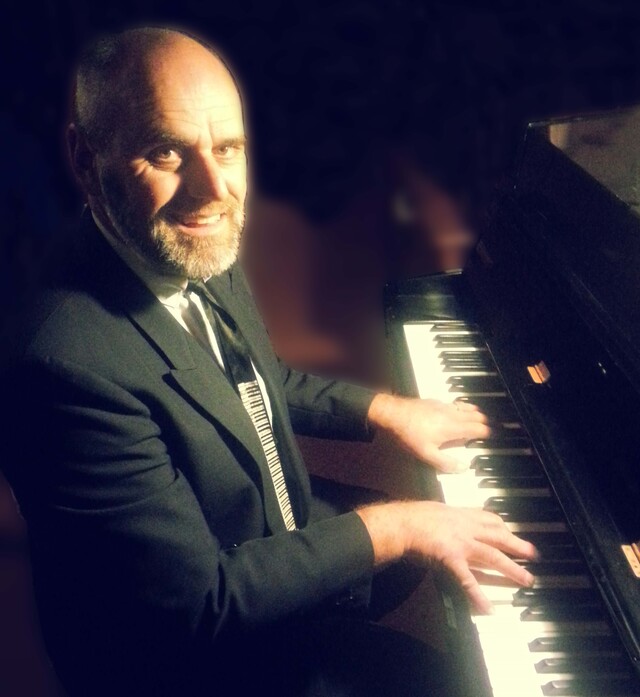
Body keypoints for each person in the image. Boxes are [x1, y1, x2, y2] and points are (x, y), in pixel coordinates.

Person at [1, 26, 536, 697]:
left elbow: (253, 377)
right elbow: (201, 604)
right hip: (188, 656)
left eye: (227, 149)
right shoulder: (60, 366)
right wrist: (398, 527)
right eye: (166, 151)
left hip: (251, 521)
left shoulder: (181, 242)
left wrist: (383, 408)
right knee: (443, 674)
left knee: (407, 553)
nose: (212, 188)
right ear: (86, 158)